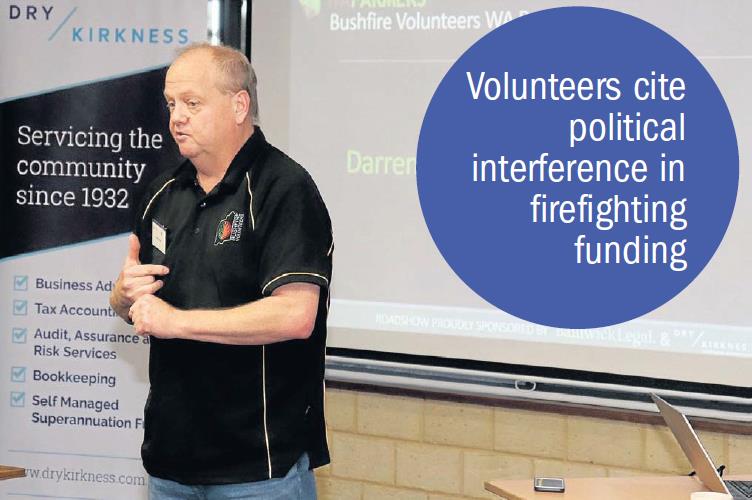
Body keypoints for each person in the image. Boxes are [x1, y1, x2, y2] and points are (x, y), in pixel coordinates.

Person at [109, 43, 332, 500]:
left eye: (192, 103)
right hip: (170, 466)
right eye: (171, 104)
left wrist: (176, 322)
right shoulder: (162, 192)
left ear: (239, 105)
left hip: (256, 472)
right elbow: (131, 301)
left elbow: (295, 316)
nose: (177, 117)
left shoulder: (283, 188)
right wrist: (122, 296)